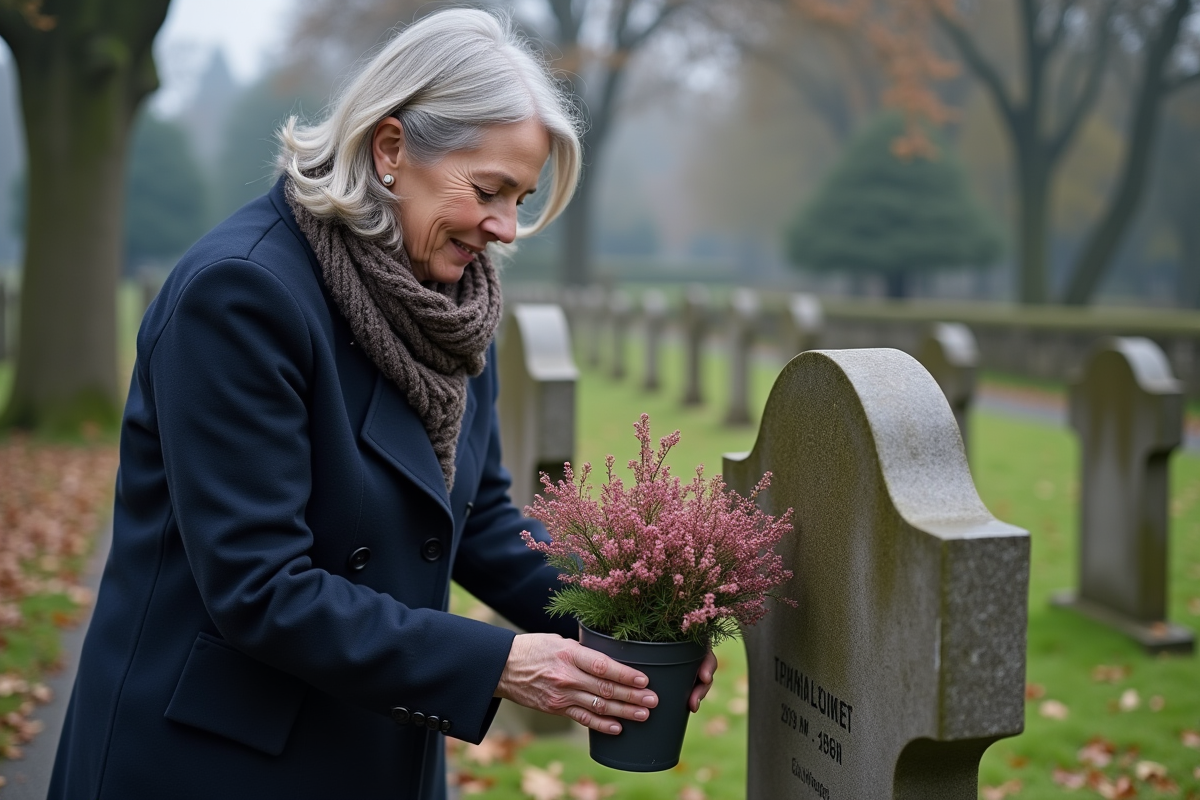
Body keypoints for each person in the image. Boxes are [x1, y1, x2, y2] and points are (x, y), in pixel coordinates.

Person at [47, 9, 716, 800]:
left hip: (375, 747)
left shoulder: (452, 304)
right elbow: (260, 587)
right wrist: (498, 663)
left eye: (521, 198)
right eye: (490, 190)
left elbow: (481, 522)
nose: (504, 228)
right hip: (216, 756)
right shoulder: (242, 296)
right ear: (391, 148)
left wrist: (627, 610)